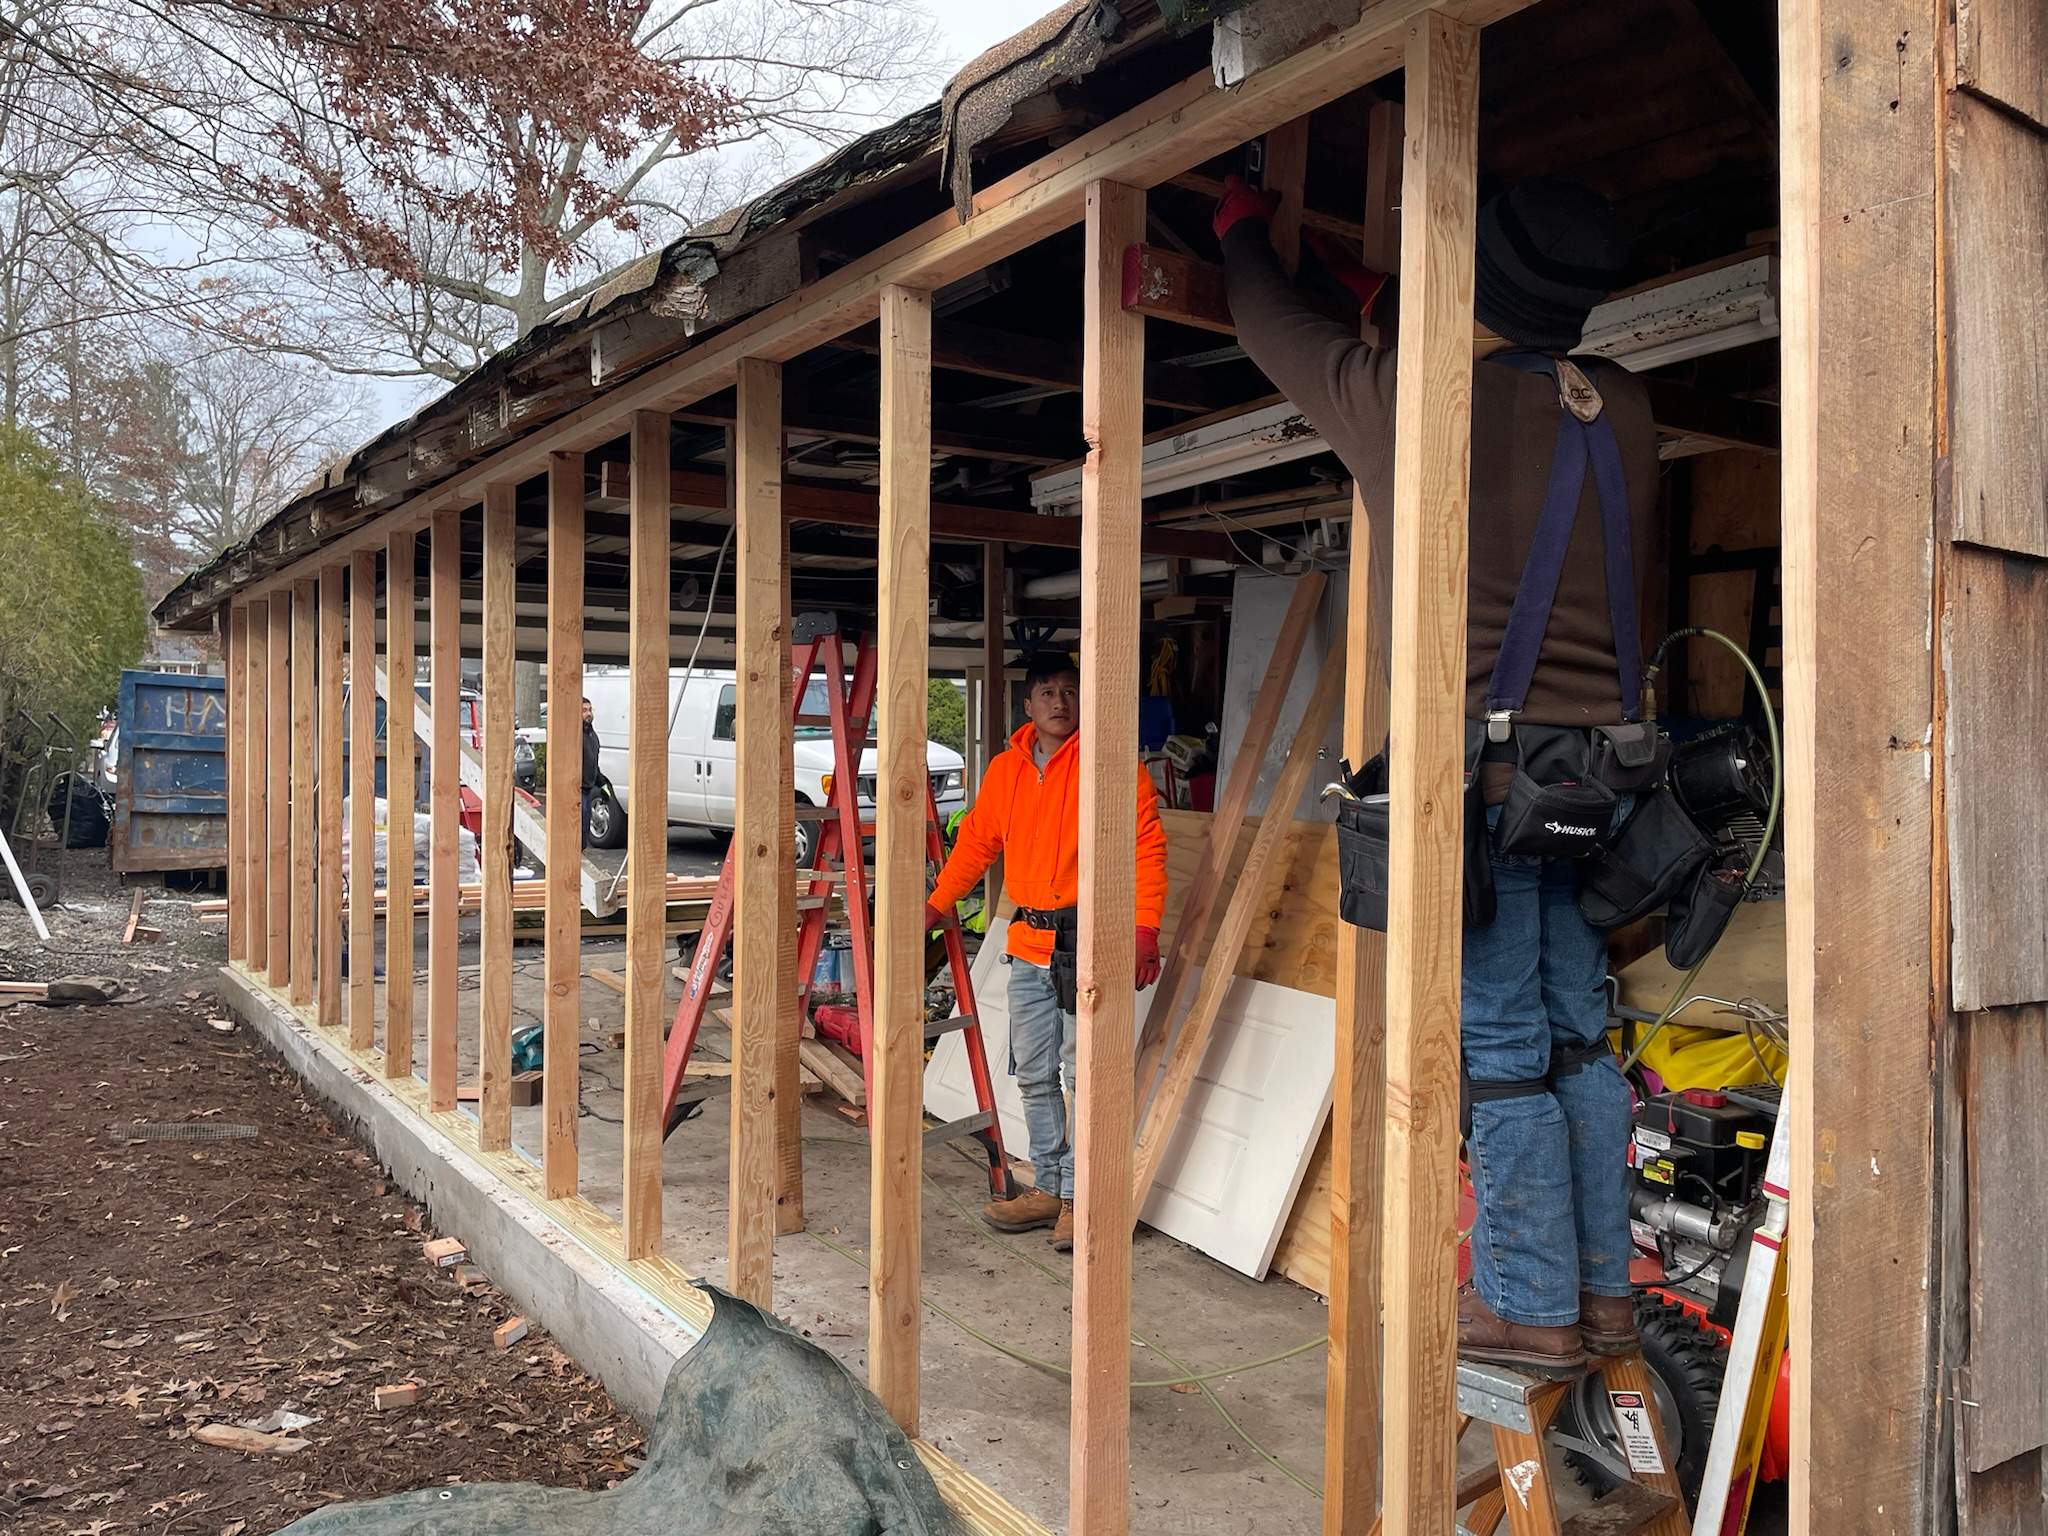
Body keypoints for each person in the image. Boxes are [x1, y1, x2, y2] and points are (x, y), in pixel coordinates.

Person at [1217, 174, 1654, 1375]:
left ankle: (1524, 1305)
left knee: (1500, 1049)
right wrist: (1386, 294)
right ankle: (1603, 1300)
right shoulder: (1619, 404)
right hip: (1594, 790)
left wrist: (1240, 231)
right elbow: (1511, 371)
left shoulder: (1417, 400)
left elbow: (1268, 323)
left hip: (1483, 793)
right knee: (1578, 1042)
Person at [924, 652, 1168, 1252]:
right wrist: (938, 903)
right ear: (1029, 704)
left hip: (1089, 945)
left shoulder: (1110, 764)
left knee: (1084, 1077)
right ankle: (1051, 1189)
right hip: (1029, 945)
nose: (1060, 702)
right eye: (1047, 692)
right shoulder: (1006, 770)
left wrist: (1145, 928)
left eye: (1069, 692)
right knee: (1034, 1073)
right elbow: (977, 842)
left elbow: (1145, 846)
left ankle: (1083, 1201)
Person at [579, 697, 602, 848]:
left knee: (584, 830)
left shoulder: (592, 735)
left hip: (588, 789)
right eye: (584, 710)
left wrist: (602, 784)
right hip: (577, 790)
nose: (588, 713)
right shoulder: (575, 736)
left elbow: (593, 762)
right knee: (577, 829)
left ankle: (580, 853)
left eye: (590, 710)